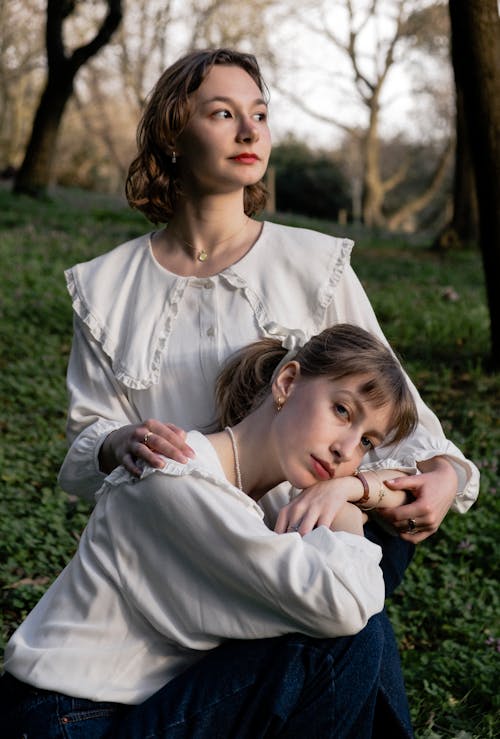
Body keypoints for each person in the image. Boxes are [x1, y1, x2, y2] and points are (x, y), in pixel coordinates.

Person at [58, 48, 478, 547]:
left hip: (305, 547)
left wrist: (445, 475)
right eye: (223, 114)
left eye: (259, 115)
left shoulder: (314, 263)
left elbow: (395, 412)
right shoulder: (106, 286)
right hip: (174, 553)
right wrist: (116, 441)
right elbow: (86, 442)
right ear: (173, 134)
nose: (250, 131)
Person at [2, 324, 420, 738]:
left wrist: (352, 486)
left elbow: (402, 513)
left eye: (366, 442)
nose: (346, 450)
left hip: (142, 707)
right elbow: (345, 603)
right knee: (344, 634)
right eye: (341, 411)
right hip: (66, 719)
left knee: (374, 572)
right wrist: (346, 506)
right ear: (288, 382)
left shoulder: (254, 501)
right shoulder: (177, 476)